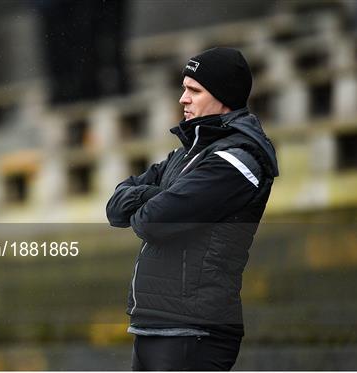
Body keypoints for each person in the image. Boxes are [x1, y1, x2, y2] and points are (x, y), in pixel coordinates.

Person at [106, 47, 279, 371]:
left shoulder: (236, 160)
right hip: (155, 324)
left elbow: (151, 222)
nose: (183, 99)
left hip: (195, 330)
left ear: (223, 96)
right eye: (184, 88)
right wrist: (161, 193)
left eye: (194, 90)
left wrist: (154, 198)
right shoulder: (186, 154)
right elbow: (115, 208)